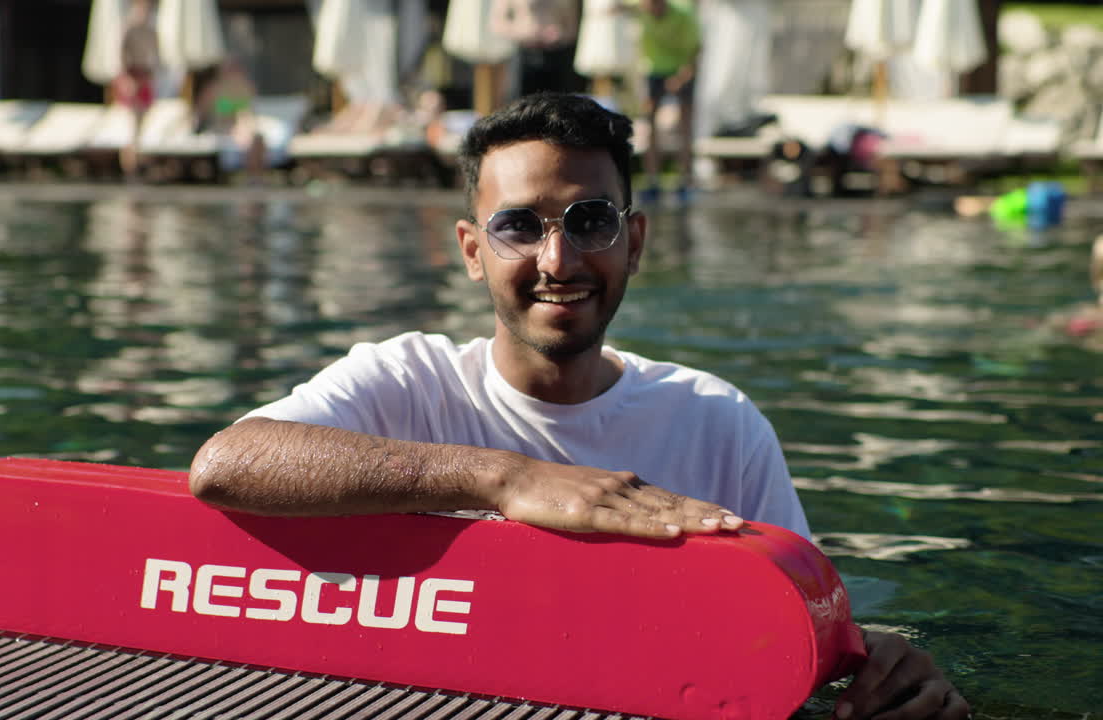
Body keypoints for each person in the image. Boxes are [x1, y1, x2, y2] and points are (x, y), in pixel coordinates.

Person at [189, 93, 970, 720]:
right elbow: (226, 464)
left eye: (589, 222)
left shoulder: (717, 420)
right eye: (519, 227)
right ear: (472, 251)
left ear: (633, 242)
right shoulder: (408, 381)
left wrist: (880, 676)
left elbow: (793, 636)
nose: (558, 260)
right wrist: (505, 480)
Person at [632, 0, 700, 205]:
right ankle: (652, 181)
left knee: (685, 124)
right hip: (654, 71)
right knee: (649, 123)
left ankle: (685, 180)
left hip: (681, 68)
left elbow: (696, 51)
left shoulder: (684, 14)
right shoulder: (639, 8)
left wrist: (681, 78)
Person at [114, 0, 159, 180]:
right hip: (131, 77)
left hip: (144, 77)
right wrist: (126, 79)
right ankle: (131, 171)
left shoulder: (151, 31)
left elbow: (156, 56)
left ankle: (137, 168)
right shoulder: (128, 28)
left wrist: (151, 78)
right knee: (131, 126)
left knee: (142, 125)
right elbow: (120, 56)